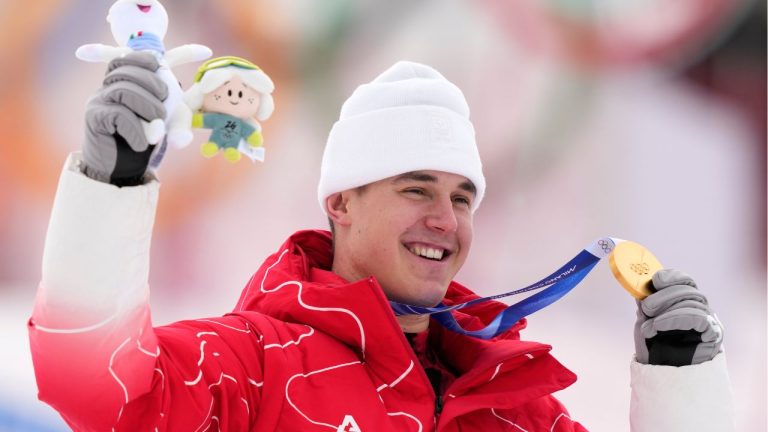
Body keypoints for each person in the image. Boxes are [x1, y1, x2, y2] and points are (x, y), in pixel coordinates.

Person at [29, 52, 734, 431]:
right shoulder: (252, 365)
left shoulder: (511, 406)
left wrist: (681, 385)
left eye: (462, 197)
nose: (446, 219)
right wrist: (109, 187)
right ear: (341, 203)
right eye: (416, 189)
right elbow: (101, 392)